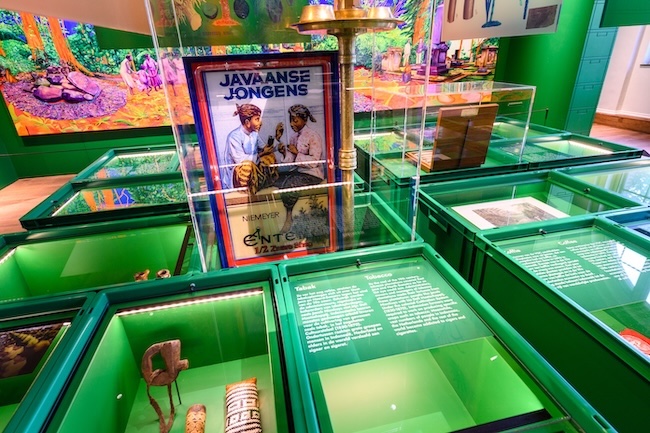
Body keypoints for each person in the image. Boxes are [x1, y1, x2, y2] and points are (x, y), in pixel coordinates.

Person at [274, 104, 325, 233]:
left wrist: (297, 153)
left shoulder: (313, 136)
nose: (292, 124)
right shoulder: (293, 137)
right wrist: (284, 153)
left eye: (295, 120)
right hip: (298, 172)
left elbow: (314, 162)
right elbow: (291, 161)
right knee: (276, 178)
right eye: (291, 120)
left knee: (291, 184)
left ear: (304, 119)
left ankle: (289, 217)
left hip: (313, 174)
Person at [223, 103, 282, 193]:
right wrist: (261, 154)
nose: (260, 122)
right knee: (247, 166)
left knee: (269, 157)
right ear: (247, 122)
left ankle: (264, 183)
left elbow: (265, 148)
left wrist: (277, 138)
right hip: (238, 175)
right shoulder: (234, 136)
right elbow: (240, 160)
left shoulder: (254, 134)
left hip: (254, 169)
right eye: (257, 119)